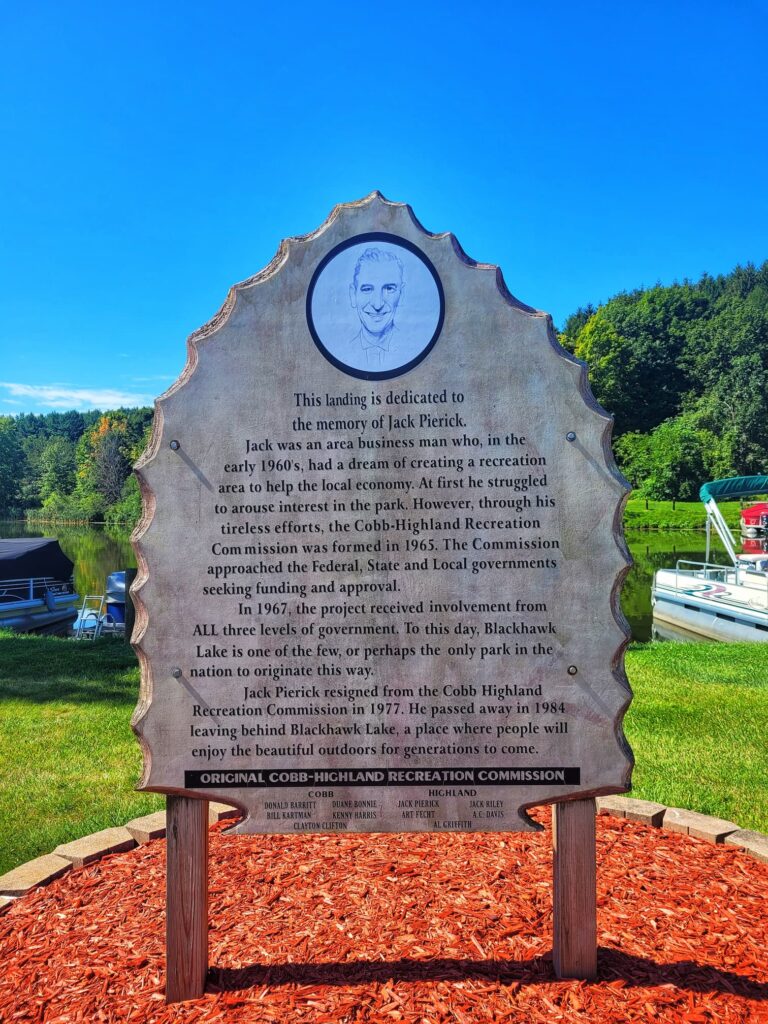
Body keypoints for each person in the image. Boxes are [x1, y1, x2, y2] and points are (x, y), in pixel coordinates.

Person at [345, 248, 405, 369]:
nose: (377, 304)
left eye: (389, 289)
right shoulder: (342, 352)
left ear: (401, 294)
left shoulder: (412, 348)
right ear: (353, 294)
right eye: (367, 289)